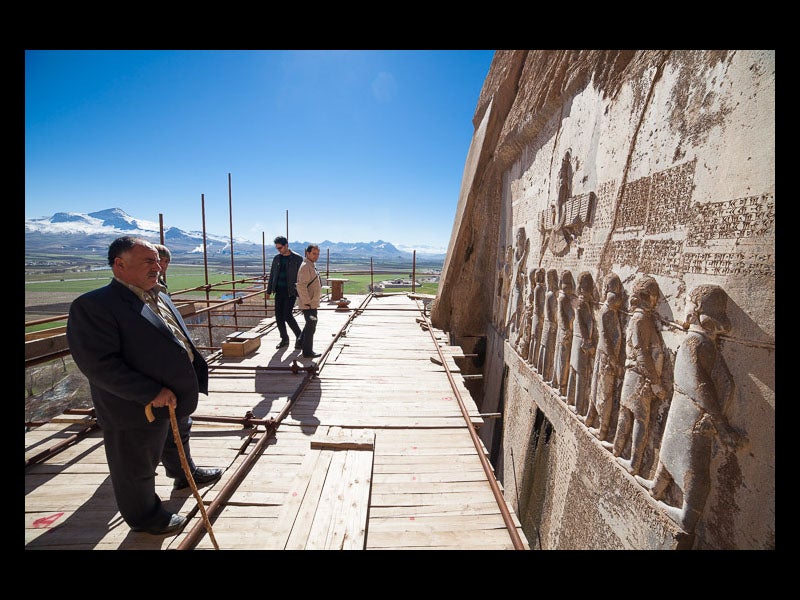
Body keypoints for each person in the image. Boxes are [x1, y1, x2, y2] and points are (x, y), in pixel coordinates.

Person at [66, 236, 222, 536]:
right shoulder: (94, 305)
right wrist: (151, 392)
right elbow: (99, 365)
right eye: (148, 261)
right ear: (119, 264)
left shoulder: (157, 295)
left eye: (157, 261)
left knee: (176, 439)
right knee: (135, 464)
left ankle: (183, 474)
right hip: (134, 406)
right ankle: (145, 517)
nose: (157, 267)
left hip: (172, 396)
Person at [635, 284, 744, 533]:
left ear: (695, 311)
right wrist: (719, 421)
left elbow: (707, 384)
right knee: (675, 453)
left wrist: (718, 421)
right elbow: (705, 384)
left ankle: (683, 512)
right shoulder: (697, 343)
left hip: (693, 413)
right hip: (689, 410)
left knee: (690, 463)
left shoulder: (698, 343)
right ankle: (658, 488)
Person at [613, 275, 668, 476]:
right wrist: (655, 383)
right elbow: (642, 353)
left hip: (635, 374)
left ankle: (618, 449)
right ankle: (634, 462)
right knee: (639, 418)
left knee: (627, 413)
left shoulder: (640, 318)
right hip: (640, 376)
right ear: (648, 297)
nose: (655, 301)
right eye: (654, 297)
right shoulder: (641, 319)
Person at [265, 236, 303, 349]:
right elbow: (272, 275)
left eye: (280, 248)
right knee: (278, 316)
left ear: (286, 245)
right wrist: (268, 291)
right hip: (278, 291)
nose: (279, 250)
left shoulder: (297, 258)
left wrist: (301, 293)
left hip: (291, 291)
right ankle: (284, 339)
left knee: (287, 315)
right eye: (277, 248)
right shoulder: (277, 258)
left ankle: (300, 337)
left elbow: (302, 277)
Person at [296, 244, 322, 359]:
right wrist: (307, 302)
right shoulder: (306, 266)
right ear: (307, 253)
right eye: (314, 253)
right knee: (311, 325)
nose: (316, 256)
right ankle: (307, 352)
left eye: (318, 254)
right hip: (308, 303)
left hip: (311, 302)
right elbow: (301, 286)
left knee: (310, 323)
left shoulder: (310, 265)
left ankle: (300, 342)